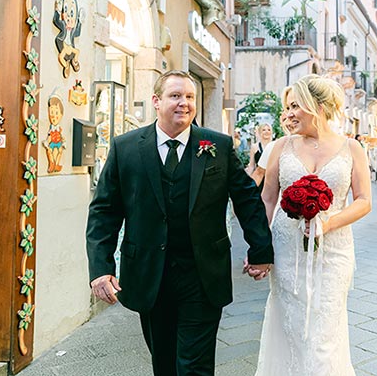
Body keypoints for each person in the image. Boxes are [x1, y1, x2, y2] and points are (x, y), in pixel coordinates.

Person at [86, 69, 273, 376]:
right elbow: (104, 211)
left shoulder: (218, 147)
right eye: (175, 96)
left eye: (189, 97)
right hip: (148, 274)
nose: (184, 103)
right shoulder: (126, 148)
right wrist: (101, 268)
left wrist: (260, 250)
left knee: (194, 366)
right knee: (164, 363)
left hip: (202, 274)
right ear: (156, 101)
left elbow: (248, 200)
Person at [254, 75, 371, 375]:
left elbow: (363, 201)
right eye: (287, 107)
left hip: (334, 252)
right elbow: (268, 199)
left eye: (295, 106)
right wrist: (259, 249)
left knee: (324, 333)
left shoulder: (352, 148)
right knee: (290, 328)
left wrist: (329, 222)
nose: (288, 114)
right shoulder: (281, 147)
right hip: (286, 250)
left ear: (316, 106)